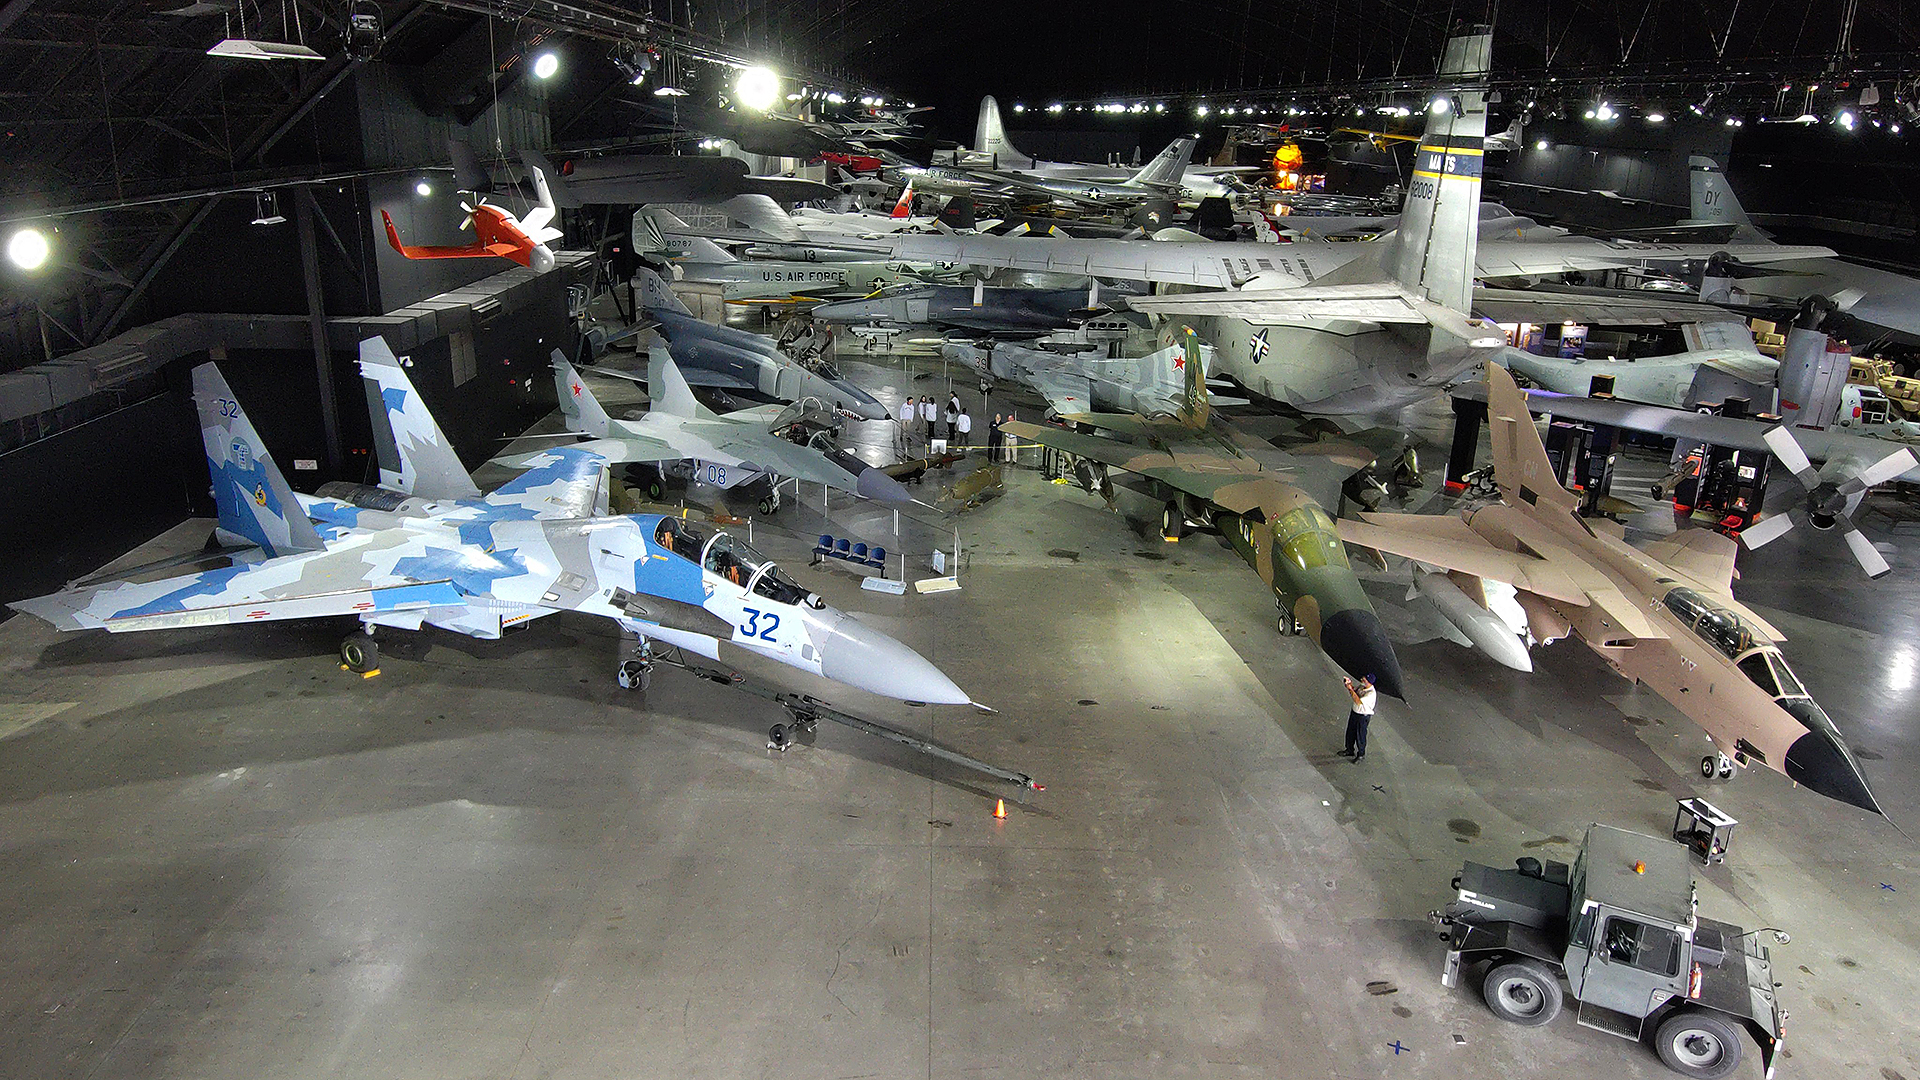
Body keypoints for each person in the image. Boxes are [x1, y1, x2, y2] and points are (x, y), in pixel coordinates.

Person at [1338, 674, 1377, 761]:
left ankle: (1361, 754)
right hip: (1355, 712)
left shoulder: (1371, 694)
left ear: (1369, 682)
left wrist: (1349, 689)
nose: (1362, 679)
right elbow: (1354, 691)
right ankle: (1349, 749)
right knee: (1350, 732)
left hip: (1363, 716)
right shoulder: (1362, 686)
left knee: (1360, 735)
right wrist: (1349, 684)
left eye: (1365, 679)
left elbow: (1357, 701)